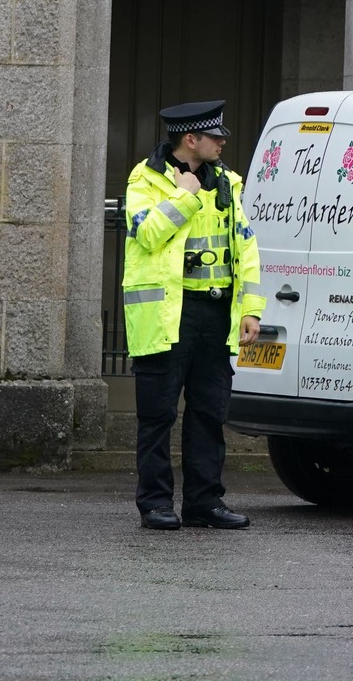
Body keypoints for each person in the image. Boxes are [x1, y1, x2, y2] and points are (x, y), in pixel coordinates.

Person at [121, 100, 266, 530]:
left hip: (215, 312)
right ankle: (155, 504)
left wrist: (252, 310)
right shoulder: (144, 180)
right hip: (168, 314)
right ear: (191, 139)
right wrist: (184, 196)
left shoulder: (227, 182)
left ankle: (205, 502)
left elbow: (246, 246)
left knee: (209, 412)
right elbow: (146, 234)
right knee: (158, 415)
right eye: (215, 136)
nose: (223, 142)